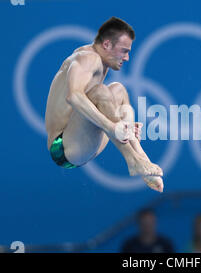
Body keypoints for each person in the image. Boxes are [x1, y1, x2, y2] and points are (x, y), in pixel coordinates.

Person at [44, 17, 164, 192]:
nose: (128, 58)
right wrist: (112, 126)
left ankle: (140, 155)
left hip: (83, 142)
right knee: (101, 92)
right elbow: (74, 97)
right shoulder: (87, 58)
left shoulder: (101, 62)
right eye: (124, 51)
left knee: (119, 90)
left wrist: (124, 125)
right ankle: (133, 160)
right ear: (107, 44)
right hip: (63, 147)